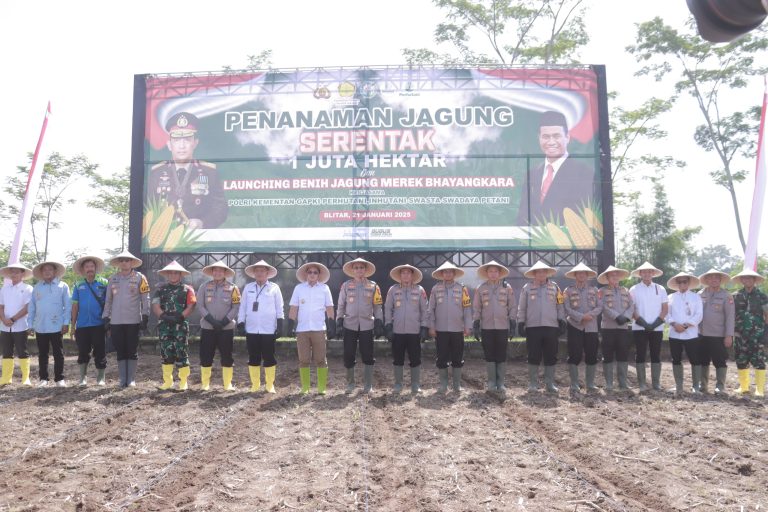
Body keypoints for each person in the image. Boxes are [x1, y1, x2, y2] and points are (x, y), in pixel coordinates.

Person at [147, 111, 228, 229]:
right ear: (169, 145)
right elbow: (147, 208)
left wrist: (203, 223)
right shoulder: (157, 173)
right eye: (177, 140)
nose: (182, 146)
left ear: (195, 143)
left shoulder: (208, 172)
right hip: (164, 240)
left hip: (197, 239)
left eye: (187, 140)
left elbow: (220, 208)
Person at [516, 110, 596, 226]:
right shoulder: (532, 174)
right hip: (533, 242)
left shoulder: (584, 173)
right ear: (539, 138)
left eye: (556, 136)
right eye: (546, 137)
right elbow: (523, 217)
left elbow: (585, 215)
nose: (551, 142)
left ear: (567, 137)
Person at [103, 251, 150, 388]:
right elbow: (108, 300)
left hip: (133, 320)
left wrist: (145, 316)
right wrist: (106, 316)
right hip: (116, 321)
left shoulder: (140, 277)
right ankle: (122, 379)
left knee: (131, 349)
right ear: (119, 263)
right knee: (120, 349)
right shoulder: (113, 279)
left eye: (127, 260)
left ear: (132, 263)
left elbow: (145, 298)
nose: (124, 263)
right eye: (122, 260)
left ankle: (131, 379)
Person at [337, 257, 384, 394]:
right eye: (356, 268)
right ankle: (350, 384)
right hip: (349, 324)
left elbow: (377, 306)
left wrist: (379, 321)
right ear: (352, 270)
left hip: (367, 325)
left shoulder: (374, 286)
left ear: (365, 270)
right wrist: (339, 320)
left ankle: (368, 385)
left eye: (361, 267)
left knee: (368, 355)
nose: (359, 270)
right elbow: (341, 305)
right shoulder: (346, 286)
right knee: (349, 354)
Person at [517, 260, 566, 393]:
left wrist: (561, 320)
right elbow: (522, 307)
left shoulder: (555, 287)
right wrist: (521, 322)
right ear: (534, 274)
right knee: (533, 355)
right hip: (533, 327)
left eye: (543, 271)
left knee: (551, 355)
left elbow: (560, 305)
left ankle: (549, 384)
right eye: (538, 272)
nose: (541, 274)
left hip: (551, 326)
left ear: (547, 273)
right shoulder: (526, 288)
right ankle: (533, 384)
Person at [288, 262, 335, 395]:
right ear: (306, 274)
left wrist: (331, 324)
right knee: (303, 360)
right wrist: (291, 323)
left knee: (321, 359)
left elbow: (330, 308)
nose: (312, 274)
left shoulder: (325, 288)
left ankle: (321, 388)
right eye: (310, 272)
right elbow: (294, 308)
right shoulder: (299, 288)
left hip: (319, 328)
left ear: (319, 275)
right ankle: (305, 387)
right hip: (302, 329)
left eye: (315, 272)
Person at [238, 260, 284, 393]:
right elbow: (243, 307)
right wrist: (241, 323)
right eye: (257, 271)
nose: (259, 273)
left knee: (269, 357)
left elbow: (279, 308)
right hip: (251, 329)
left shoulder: (274, 288)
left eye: (262, 270)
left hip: (268, 329)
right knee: (253, 357)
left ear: (267, 273)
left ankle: (270, 385)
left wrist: (280, 325)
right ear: (254, 273)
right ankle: (255, 384)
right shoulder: (248, 288)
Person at [472, 260, 516, 395]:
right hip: (487, 327)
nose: (493, 274)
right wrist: (476, 323)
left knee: (501, 354)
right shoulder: (480, 288)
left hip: (502, 326)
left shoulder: (507, 288)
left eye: (495, 271)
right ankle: (491, 382)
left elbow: (512, 306)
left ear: (499, 273)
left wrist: (513, 323)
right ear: (486, 273)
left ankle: (500, 382)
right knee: (489, 354)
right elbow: (476, 307)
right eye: (490, 271)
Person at [428, 261, 472, 394]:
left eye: (450, 271)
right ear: (441, 274)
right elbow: (431, 309)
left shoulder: (462, 288)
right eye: (445, 271)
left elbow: (467, 309)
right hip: (440, 329)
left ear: (454, 273)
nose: (448, 273)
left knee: (457, 356)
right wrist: (431, 326)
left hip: (457, 329)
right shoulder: (435, 289)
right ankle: (443, 384)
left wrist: (468, 326)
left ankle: (456, 384)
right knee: (441, 357)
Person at [385, 264, 429, 394]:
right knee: (397, 358)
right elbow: (388, 308)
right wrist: (388, 325)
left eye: (408, 273)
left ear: (412, 275)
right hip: (397, 331)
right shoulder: (392, 290)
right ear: (400, 276)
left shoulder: (419, 290)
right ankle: (398, 384)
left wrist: (424, 326)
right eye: (403, 273)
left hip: (414, 331)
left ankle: (415, 385)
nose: (405, 275)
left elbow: (424, 310)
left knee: (415, 358)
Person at [196, 260, 240, 391]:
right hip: (208, 327)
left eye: (221, 270)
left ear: (225, 272)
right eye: (215, 270)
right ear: (212, 272)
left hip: (226, 328)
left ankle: (227, 384)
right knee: (205, 355)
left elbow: (236, 307)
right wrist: (211, 321)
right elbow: (200, 305)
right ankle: (205, 384)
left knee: (227, 355)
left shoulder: (234, 288)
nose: (217, 272)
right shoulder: (204, 286)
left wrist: (224, 322)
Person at [153, 261, 197, 391]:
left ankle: (183, 381)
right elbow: (155, 305)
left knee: (181, 352)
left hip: (180, 326)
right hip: (164, 325)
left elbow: (191, 305)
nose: (173, 275)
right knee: (166, 352)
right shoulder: (160, 289)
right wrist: (164, 316)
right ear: (167, 274)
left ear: (180, 275)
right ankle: (168, 381)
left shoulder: (188, 289)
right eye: (170, 273)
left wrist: (181, 316)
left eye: (176, 273)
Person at [28, 261, 71, 387]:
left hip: (57, 325)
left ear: (55, 271)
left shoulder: (62, 286)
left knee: (58, 353)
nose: (47, 271)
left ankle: (59, 379)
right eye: (45, 270)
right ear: (41, 273)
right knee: (42, 354)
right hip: (40, 326)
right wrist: (30, 324)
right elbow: (32, 307)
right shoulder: (37, 288)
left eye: (50, 269)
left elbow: (67, 306)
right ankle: (43, 379)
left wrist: (66, 323)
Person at [563, 262, 602, 394]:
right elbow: (566, 308)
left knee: (592, 354)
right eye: (579, 273)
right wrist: (581, 316)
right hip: (575, 326)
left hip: (591, 327)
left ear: (587, 276)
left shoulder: (595, 290)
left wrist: (589, 315)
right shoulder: (567, 291)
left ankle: (590, 384)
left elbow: (600, 306)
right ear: (575, 275)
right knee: (575, 354)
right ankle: (574, 384)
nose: (581, 275)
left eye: (584, 273)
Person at [629, 262, 668, 392]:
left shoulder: (660, 288)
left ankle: (656, 383)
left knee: (656, 354)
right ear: (640, 274)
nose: (647, 274)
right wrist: (642, 322)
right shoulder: (634, 289)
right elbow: (632, 308)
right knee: (640, 354)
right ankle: (642, 383)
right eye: (644, 272)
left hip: (656, 328)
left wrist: (657, 322)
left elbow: (665, 308)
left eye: (649, 271)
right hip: (639, 328)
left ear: (653, 273)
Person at [71, 256, 109, 386]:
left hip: (99, 324)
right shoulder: (78, 285)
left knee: (100, 351)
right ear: (83, 269)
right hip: (82, 325)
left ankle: (101, 378)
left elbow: (110, 303)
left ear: (95, 268)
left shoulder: (104, 283)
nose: (89, 269)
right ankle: (82, 378)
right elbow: (75, 306)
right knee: (82, 351)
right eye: (87, 267)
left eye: (92, 266)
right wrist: (72, 326)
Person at [697, 268, 735, 394]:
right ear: (706, 280)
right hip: (701, 333)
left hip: (718, 334)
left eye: (716, 277)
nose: (713, 279)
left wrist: (729, 335)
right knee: (702, 360)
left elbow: (730, 317)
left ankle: (720, 386)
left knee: (719, 360)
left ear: (720, 280)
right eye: (710, 277)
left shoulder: (726, 296)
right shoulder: (700, 294)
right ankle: (703, 385)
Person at [731, 268, 767, 397]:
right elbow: (731, 315)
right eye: (745, 278)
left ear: (755, 280)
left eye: (750, 278)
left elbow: (767, 315)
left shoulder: (762, 296)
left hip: (758, 335)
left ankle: (759, 389)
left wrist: (765, 333)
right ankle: (744, 387)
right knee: (741, 359)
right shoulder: (735, 296)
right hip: (740, 334)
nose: (747, 280)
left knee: (759, 360)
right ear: (741, 280)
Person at [666, 272, 703, 395]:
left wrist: (686, 325)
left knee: (695, 359)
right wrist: (674, 324)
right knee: (676, 359)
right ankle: (679, 386)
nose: (682, 284)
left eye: (684, 281)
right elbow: (666, 314)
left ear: (689, 283)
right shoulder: (670, 297)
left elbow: (699, 315)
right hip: (674, 333)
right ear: (677, 283)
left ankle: (695, 386)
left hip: (691, 333)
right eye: (680, 282)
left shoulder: (695, 297)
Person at [597, 265, 634, 391]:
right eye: (612, 275)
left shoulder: (626, 290)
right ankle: (609, 383)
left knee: (623, 354)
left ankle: (623, 382)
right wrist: (616, 316)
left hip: (623, 327)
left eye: (616, 275)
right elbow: (602, 306)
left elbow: (632, 305)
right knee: (607, 354)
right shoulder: (601, 291)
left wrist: (626, 317)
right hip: (608, 327)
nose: (615, 277)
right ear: (607, 277)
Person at [0, 262, 34, 386]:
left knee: (22, 351)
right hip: (4, 326)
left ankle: (26, 378)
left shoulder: (28, 288)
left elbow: (27, 307)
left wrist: (13, 319)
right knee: (6, 351)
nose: (14, 274)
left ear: (22, 273)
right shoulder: (4, 289)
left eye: (17, 271)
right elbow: (1, 306)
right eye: (12, 271)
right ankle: (6, 378)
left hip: (20, 325)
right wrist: (3, 319)